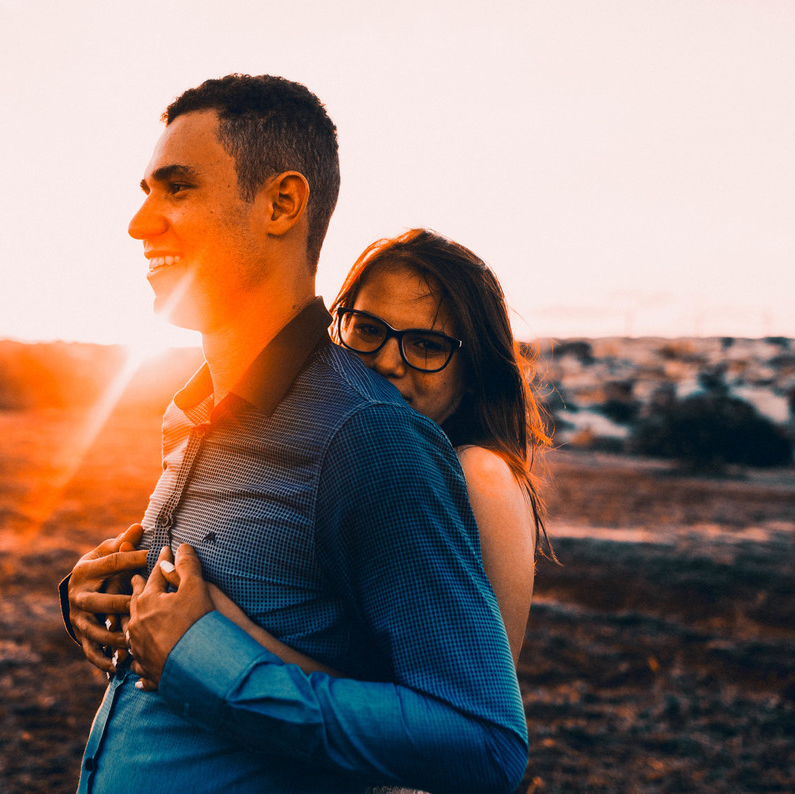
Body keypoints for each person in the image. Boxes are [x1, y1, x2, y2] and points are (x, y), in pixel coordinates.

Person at [62, 74, 529, 794]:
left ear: (282, 203)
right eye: (370, 331)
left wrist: (209, 664)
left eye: (176, 189)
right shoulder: (190, 414)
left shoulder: (371, 438)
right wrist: (97, 604)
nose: (139, 224)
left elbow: (483, 746)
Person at [176, 229, 553, 684]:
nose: (388, 362)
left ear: (473, 371)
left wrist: (221, 634)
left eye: (426, 345)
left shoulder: (480, 474)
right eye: (369, 331)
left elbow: (465, 707)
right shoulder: (359, 458)